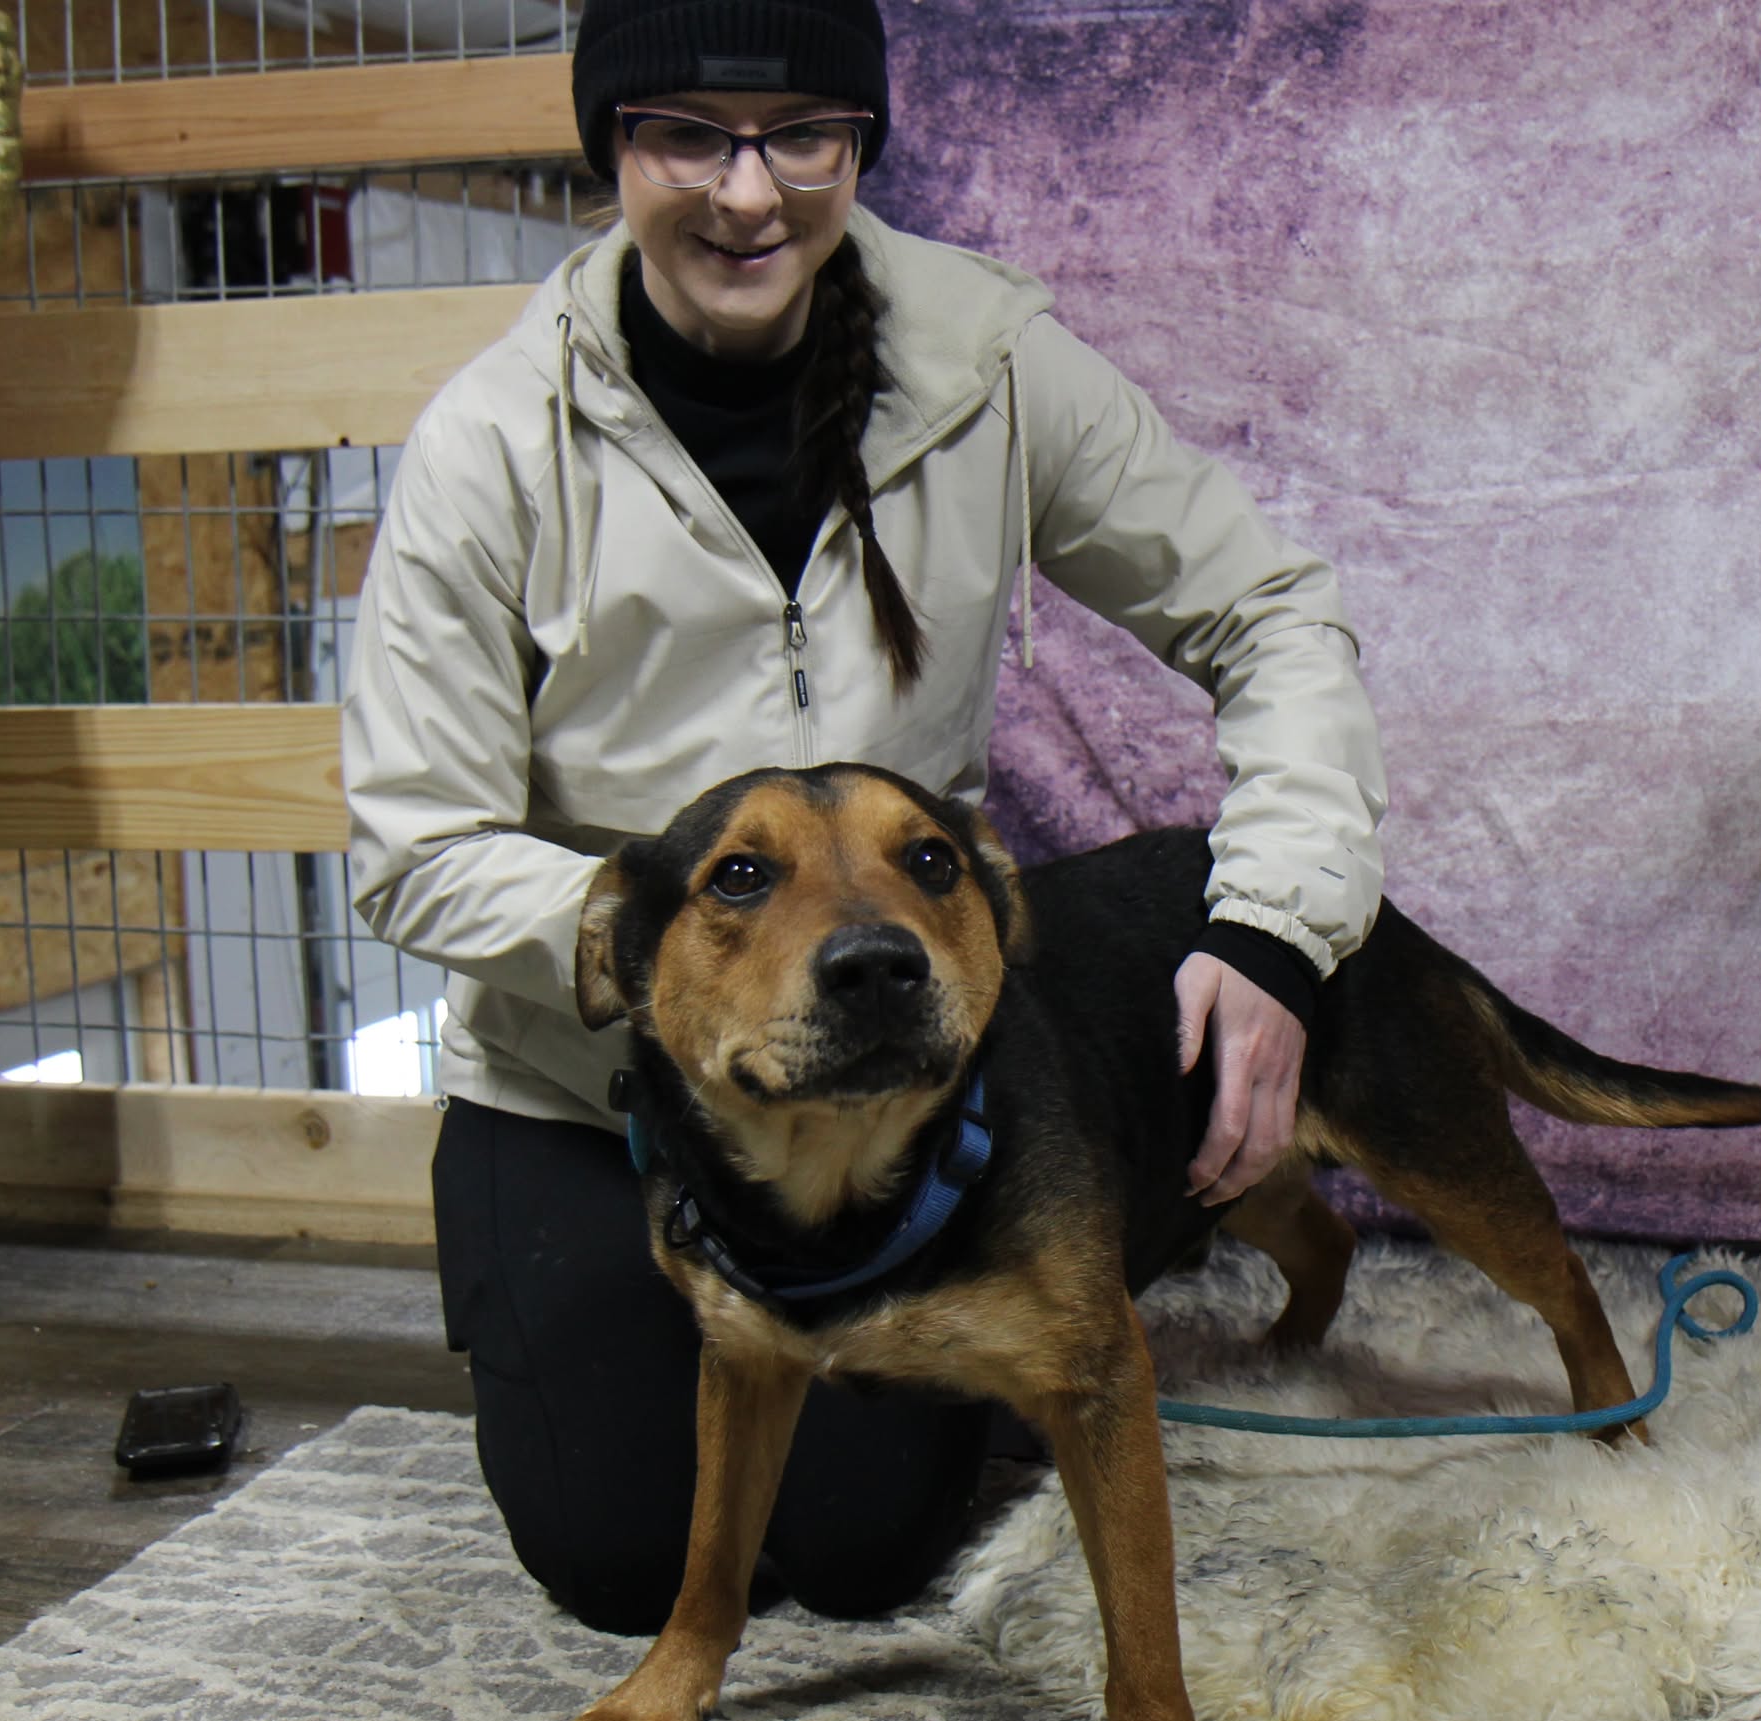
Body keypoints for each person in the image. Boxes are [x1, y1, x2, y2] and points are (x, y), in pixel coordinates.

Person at [342, 0, 1388, 1637]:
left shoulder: (988, 364)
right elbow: (415, 845)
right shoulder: (491, 442)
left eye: (802, 136)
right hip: (591, 1094)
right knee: (618, 1562)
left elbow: (1270, 611)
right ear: (611, 145)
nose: (747, 193)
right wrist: (678, 964)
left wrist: (1276, 927)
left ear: (862, 144)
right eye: (687, 134)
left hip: (909, 1093)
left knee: (863, 1556)